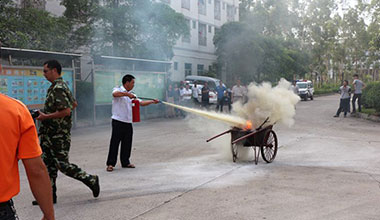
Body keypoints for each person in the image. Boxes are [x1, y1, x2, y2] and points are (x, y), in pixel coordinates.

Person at [0, 46, 55, 219]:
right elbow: (36, 170)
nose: (44, 74)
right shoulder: (14, 111)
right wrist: (48, 215)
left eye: (46, 71)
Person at [34, 60, 99, 205]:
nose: (44, 74)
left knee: (62, 165)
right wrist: (57, 118)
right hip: (50, 134)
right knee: (47, 165)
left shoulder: (58, 88)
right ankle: (50, 196)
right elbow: (73, 103)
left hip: (58, 135)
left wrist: (47, 117)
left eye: (45, 71)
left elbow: (67, 110)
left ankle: (91, 179)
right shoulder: (58, 86)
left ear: (54, 70)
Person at [106, 74, 159, 172]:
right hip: (118, 121)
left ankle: (125, 162)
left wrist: (152, 101)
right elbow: (115, 94)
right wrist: (127, 94)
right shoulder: (118, 89)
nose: (133, 84)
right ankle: (110, 163)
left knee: (127, 143)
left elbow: (141, 103)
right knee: (115, 143)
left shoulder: (132, 94)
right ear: (127, 82)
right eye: (132, 82)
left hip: (128, 121)